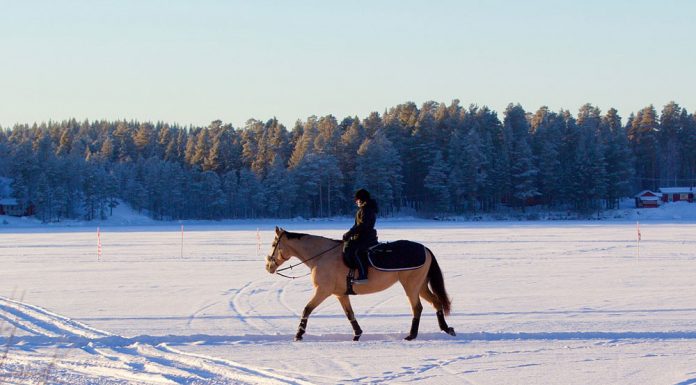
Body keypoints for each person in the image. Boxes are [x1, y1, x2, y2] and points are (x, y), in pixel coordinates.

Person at [343, 188, 378, 284]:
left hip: (366, 238)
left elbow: (363, 225)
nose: (356, 202)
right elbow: (356, 225)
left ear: (361, 199)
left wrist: (350, 233)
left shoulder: (366, 209)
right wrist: (349, 234)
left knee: (357, 252)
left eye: (357, 199)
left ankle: (363, 275)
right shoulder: (363, 209)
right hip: (362, 237)